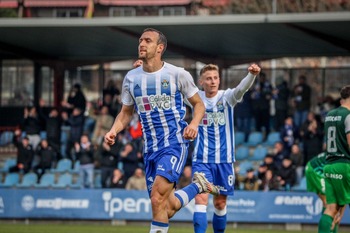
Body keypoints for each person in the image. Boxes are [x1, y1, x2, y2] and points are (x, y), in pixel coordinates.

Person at [104, 28, 217, 233]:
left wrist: (193, 125)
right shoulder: (131, 78)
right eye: (140, 40)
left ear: (160, 48)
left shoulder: (177, 74)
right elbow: (126, 112)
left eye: (148, 40)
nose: (142, 44)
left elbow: (199, 105)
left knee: (157, 198)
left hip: (174, 144)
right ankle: (198, 186)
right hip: (150, 149)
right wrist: (114, 130)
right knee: (167, 206)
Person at [191, 63, 261, 233]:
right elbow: (174, 88)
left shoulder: (226, 97)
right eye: (208, 78)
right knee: (200, 199)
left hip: (224, 160)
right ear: (201, 82)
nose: (213, 81)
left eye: (215, 78)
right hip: (202, 159)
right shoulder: (195, 97)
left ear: (219, 80)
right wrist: (147, 69)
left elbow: (240, 90)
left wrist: (251, 75)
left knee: (220, 203)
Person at [318, 85, 350, 233]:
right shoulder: (348, 115)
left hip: (329, 165)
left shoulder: (330, 114)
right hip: (344, 164)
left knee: (331, 208)